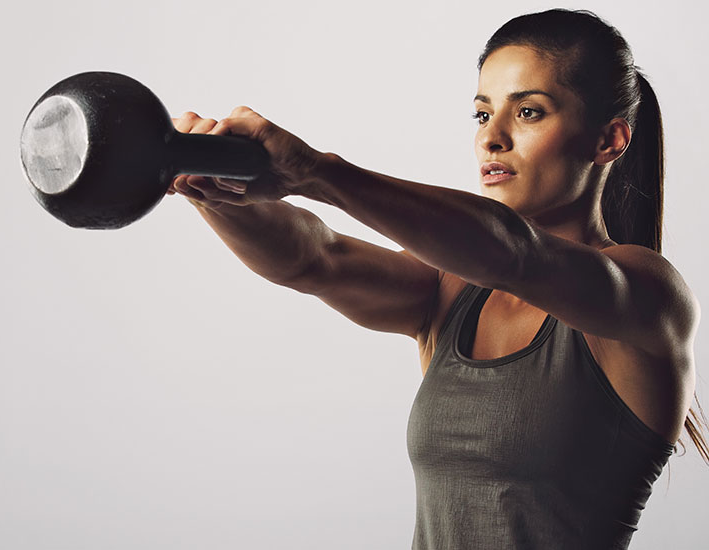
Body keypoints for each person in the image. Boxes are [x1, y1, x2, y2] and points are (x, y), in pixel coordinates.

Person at [168, 8, 708, 549]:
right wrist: (207, 185)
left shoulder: (648, 296)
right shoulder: (453, 289)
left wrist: (317, 171)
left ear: (609, 141)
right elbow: (314, 258)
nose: (491, 138)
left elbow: (515, 254)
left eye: (528, 112)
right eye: (481, 114)